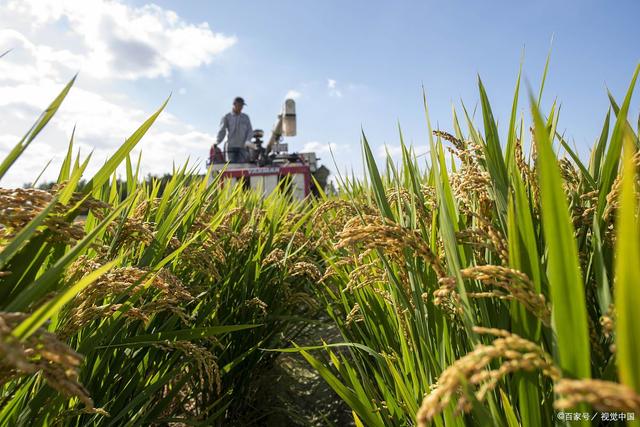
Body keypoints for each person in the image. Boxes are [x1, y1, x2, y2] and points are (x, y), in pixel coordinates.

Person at [216, 96, 253, 163]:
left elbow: (250, 131)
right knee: (231, 167)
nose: (241, 107)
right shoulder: (227, 117)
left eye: (242, 106)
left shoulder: (245, 117)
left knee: (243, 168)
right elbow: (222, 130)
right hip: (231, 147)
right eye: (239, 105)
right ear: (234, 104)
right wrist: (217, 142)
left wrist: (248, 141)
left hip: (243, 147)